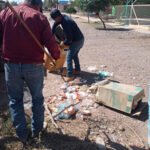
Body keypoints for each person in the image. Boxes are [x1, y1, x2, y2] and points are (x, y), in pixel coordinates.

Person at [0, 0, 60, 143]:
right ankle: (36, 131)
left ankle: (22, 135)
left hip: (11, 65)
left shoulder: (4, 13)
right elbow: (50, 42)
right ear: (38, 4)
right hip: (34, 66)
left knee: (15, 100)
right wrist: (56, 56)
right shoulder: (39, 17)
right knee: (37, 99)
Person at [50, 9, 84, 82]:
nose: (54, 20)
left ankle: (70, 75)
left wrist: (64, 43)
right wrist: (51, 34)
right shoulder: (62, 18)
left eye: (54, 19)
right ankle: (77, 70)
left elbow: (69, 38)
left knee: (69, 56)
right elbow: (55, 25)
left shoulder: (66, 22)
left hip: (76, 41)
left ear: (58, 16)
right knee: (74, 55)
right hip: (80, 39)